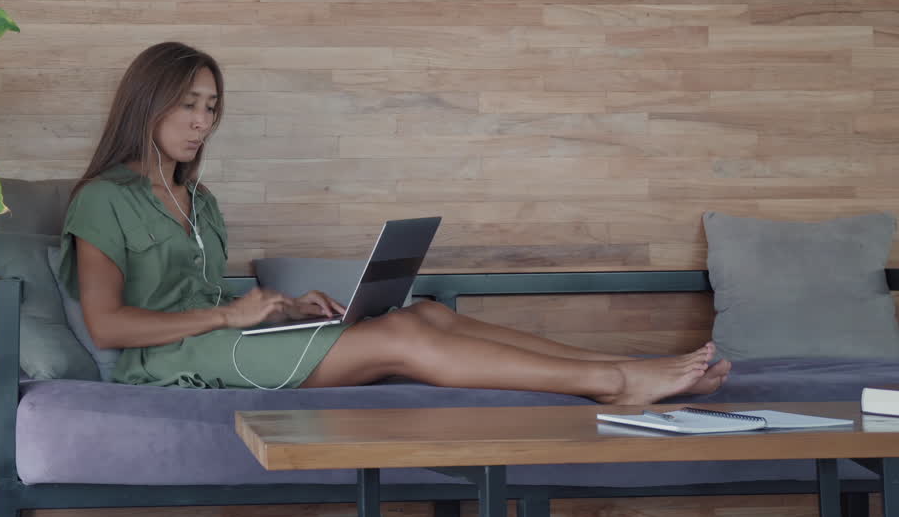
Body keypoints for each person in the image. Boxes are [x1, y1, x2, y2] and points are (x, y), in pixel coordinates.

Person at [57, 42, 731, 403]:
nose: (203, 121)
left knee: (426, 312)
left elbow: (206, 302)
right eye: (189, 106)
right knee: (402, 334)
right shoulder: (103, 199)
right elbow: (108, 324)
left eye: (211, 107)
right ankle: (616, 385)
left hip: (224, 340)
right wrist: (230, 318)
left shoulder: (198, 200)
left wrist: (284, 310)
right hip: (172, 364)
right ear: (148, 105)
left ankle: (633, 365)